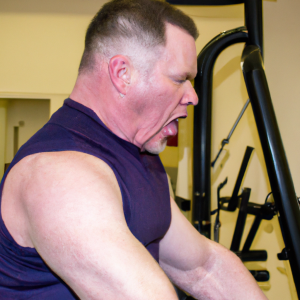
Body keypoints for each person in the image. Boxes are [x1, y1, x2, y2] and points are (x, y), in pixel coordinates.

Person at [0, 0, 268, 299]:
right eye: (180, 79)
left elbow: (204, 268)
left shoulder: (140, 157)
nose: (193, 97)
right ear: (122, 73)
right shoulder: (60, 176)